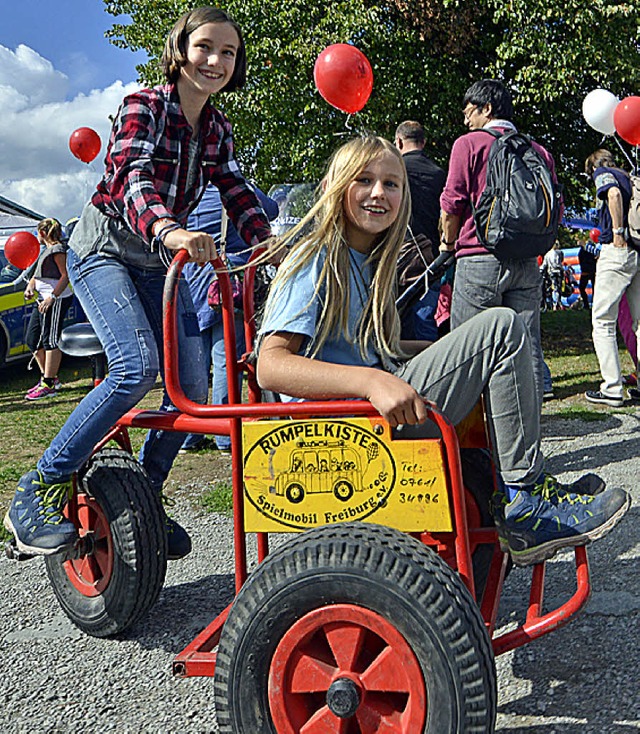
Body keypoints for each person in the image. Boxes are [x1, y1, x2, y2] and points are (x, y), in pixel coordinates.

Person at [255, 134, 629, 567]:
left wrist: (445, 349)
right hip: (338, 429)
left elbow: (367, 347)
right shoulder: (315, 257)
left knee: (490, 337)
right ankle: (525, 499)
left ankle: (527, 487)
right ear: (336, 187)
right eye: (365, 180)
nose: (379, 193)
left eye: (392, 184)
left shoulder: (369, 260)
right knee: (502, 325)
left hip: (365, 411)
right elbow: (272, 366)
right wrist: (374, 380)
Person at [4, 7, 272, 559]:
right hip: (104, 247)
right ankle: (39, 486)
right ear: (180, 50)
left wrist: (268, 241)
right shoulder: (143, 104)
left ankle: (143, 496)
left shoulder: (217, 128)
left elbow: (235, 190)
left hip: (153, 261)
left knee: (193, 391)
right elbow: (132, 176)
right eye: (205, 47)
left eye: (228, 52)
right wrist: (170, 228)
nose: (216, 61)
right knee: (136, 366)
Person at [439, 79, 559, 406]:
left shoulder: (469, 144)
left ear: (487, 109)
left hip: (480, 258)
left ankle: (472, 438)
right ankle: (528, 429)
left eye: (469, 112)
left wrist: (447, 244)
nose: (466, 121)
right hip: (526, 262)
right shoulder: (538, 150)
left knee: (469, 349)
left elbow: (453, 203)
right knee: (527, 348)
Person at [179, 183, 278, 453]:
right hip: (225, 284)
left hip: (189, 285)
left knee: (194, 364)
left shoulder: (188, 196)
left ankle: (190, 434)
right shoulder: (238, 191)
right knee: (225, 362)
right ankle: (225, 434)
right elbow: (273, 209)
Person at [584, 149, 640, 408]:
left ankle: (612, 388)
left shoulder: (603, 173)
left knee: (603, 320)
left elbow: (613, 194)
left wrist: (617, 232)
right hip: (637, 251)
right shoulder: (628, 175)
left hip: (616, 251)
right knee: (639, 323)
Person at [394, 120, 446, 342]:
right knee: (426, 315)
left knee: (398, 317)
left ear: (398, 142)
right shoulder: (439, 173)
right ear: (423, 142)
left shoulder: (395, 172)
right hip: (433, 257)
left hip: (398, 254)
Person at [23, 218, 74, 400]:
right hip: (41, 300)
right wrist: (30, 287)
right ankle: (49, 377)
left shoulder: (58, 250)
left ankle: (49, 383)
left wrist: (52, 297)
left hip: (55, 299)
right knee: (32, 340)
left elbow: (65, 275)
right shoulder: (44, 251)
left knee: (50, 339)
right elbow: (36, 276)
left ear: (43, 233)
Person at [541, 242, 565, 311]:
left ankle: (556, 303)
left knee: (555, 287)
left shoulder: (548, 254)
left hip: (552, 272)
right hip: (558, 271)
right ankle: (557, 303)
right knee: (558, 288)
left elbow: (544, 264)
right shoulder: (560, 252)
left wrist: (541, 270)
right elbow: (561, 260)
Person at [578, 238, 597, 310]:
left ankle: (586, 304)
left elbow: (581, 260)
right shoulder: (593, 251)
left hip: (585, 271)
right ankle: (595, 304)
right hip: (593, 271)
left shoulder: (582, 251)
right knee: (594, 288)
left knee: (581, 288)